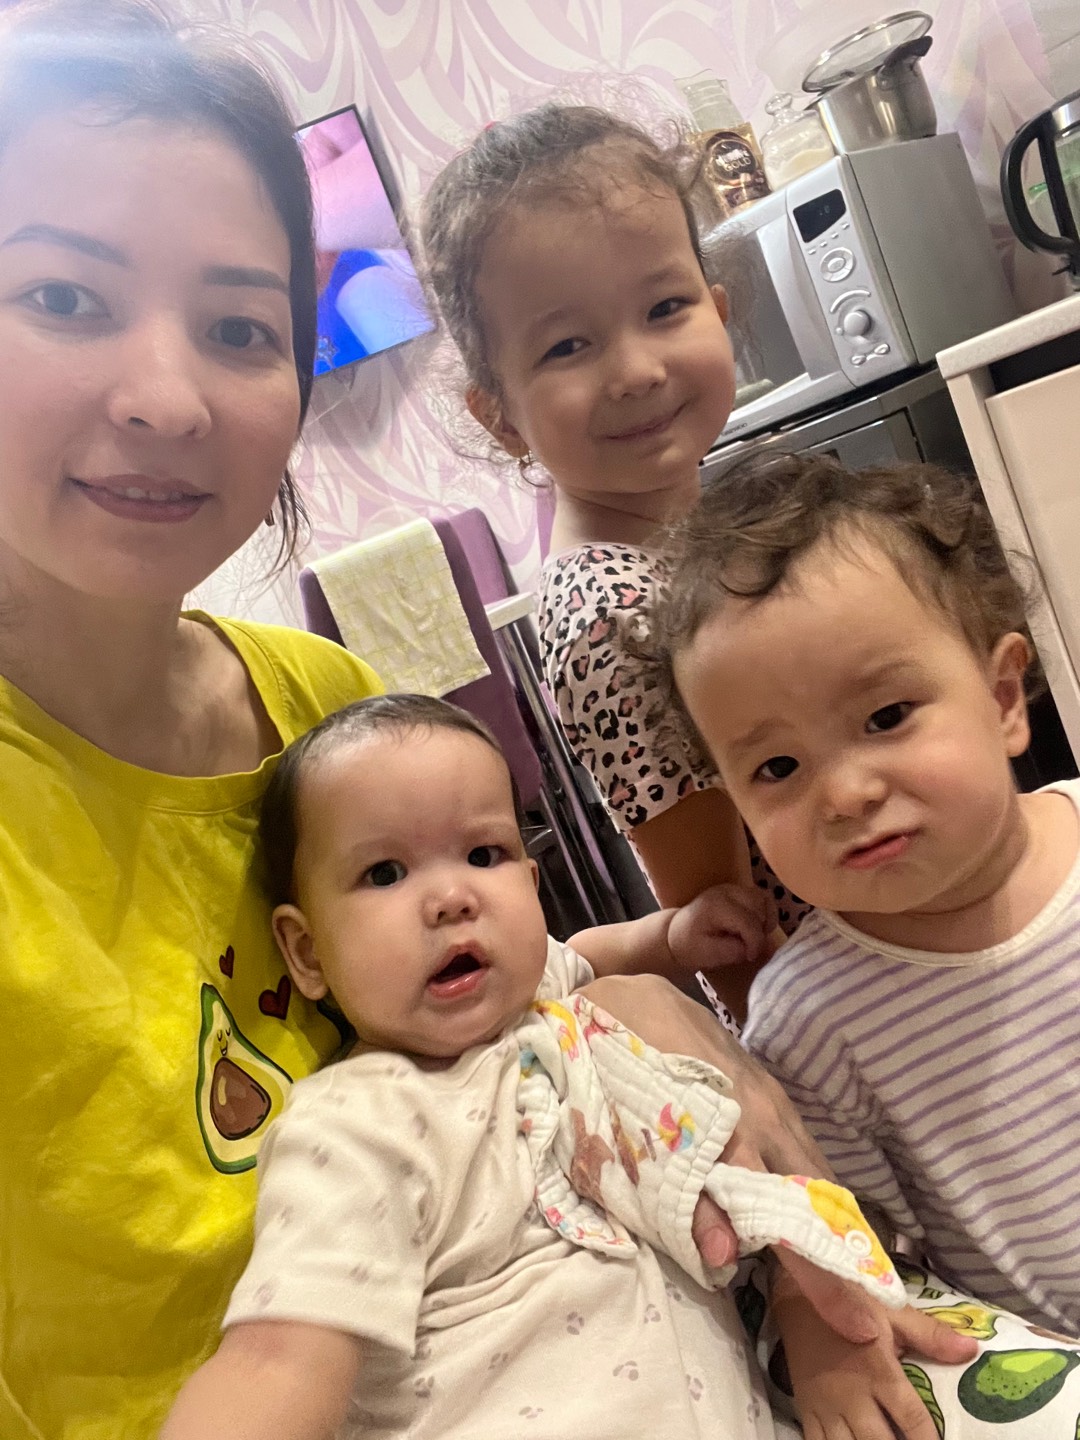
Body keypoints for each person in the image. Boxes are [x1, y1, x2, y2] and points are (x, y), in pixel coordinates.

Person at [0, 7, 943, 1435]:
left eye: (240, 326)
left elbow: (538, 1012)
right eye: (65, 297)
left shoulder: (326, 711)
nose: (166, 398)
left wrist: (651, 1012)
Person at [163, 692, 955, 1440]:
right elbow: (276, 1363)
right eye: (385, 874)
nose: (451, 897)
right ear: (307, 952)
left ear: (531, 884)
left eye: (484, 854)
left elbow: (581, 955)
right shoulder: (358, 1125)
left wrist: (670, 936)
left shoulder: (543, 999)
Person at [656, 451, 1080, 1433]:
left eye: (887, 717)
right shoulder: (810, 1020)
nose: (844, 792)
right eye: (777, 767)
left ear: (1003, 698)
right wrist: (822, 1324)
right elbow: (853, 1239)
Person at [421, 101, 809, 1023]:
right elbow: (731, 935)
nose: (635, 369)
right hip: (829, 1028)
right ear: (500, 415)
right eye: (568, 345)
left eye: (665, 308)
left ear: (718, 310)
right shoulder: (609, 615)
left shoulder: (705, 531)